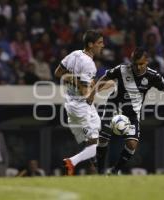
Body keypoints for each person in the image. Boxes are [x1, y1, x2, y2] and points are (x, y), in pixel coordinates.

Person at [88, 47, 164, 174]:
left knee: (132, 145)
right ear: (131, 62)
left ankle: (115, 170)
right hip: (114, 106)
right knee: (104, 136)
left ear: (147, 61)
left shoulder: (152, 75)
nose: (138, 67)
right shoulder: (122, 70)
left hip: (132, 114)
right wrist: (91, 95)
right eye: (135, 64)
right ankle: (100, 170)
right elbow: (105, 78)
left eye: (141, 64)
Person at [54, 29, 104, 175]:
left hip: (71, 104)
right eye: (100, 43)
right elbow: (84, 92)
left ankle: (94, 168)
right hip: (81, 106)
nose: (103, 45)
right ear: (90, 44)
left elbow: (57, 72)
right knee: (96, 145)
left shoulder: (75, 54)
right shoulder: (89, 65)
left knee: (93, 139)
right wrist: (96, 88)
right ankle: (72, 162)